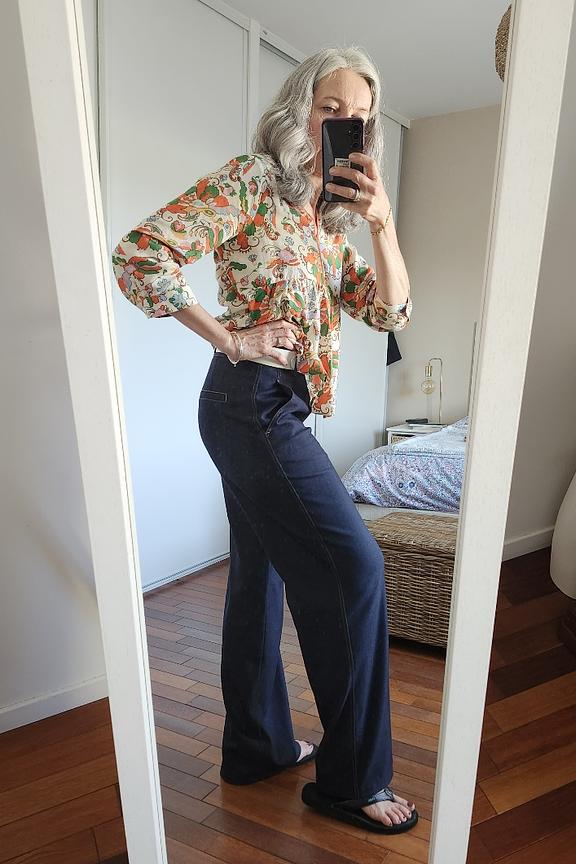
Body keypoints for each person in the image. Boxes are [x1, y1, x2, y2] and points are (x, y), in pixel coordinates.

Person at [112, 45, 417, 835]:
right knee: (355, 566)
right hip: (250, 404)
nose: (343, 123)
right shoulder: (253, 181)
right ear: (298, 109)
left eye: (359, 116)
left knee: (260, 577)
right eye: (330, 108)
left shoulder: (330, 223)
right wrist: (229, 337)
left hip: (276, 411)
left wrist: (383, 224)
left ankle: (257, 748)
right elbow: (141, 253)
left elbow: (388, 313)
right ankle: (351, 783)